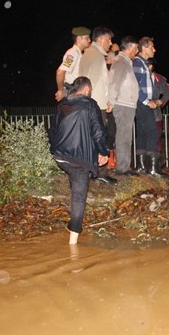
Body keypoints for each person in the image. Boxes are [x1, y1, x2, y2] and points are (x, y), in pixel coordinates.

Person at [48, 76, 109, 245]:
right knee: (79, 196)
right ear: (87, 90)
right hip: (79, 158)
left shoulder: (63, 105)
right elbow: (98, 131)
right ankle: (73, 239)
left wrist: (56, 148)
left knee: (74, 179)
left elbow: (53, 130)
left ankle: (72, 226)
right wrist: (103, 151)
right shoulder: (90, 105)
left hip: (60, 155)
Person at [79, 26, 117, 184]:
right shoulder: (95, 56)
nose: (110, 43)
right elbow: (92, 84)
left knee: (91, 137)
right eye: (108, 39)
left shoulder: (91, 54)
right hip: (96, 105)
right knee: (99, 137)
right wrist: (98, 103)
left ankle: (91, 171)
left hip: (94, 103)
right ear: (101, 39)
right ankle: (100, 173)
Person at [107, 36, 139, 175]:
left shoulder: (126, 62)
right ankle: (122, 168)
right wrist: (111, 101)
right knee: (123, 136)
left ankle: (124, 166)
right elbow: (115, 83)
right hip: (123, 104)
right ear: (130, 47)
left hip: (128, 104)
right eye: (136, 48)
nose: (137, 51)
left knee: (126, 136)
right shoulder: (121, 61)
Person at [133, 36, 164, 176]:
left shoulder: (142, 63)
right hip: (142, 104)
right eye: (152, 47)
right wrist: (147, 101)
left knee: (143, 133)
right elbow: (135, 86)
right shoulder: (138, 64)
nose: (154, 49)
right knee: (152, 133)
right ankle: (152, 168)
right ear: (144, 48)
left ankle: (142, 167)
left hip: (141, 103)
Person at [54, 27, 92, 102]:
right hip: (72, 93)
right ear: (78, 39)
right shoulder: (72, 53)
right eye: (87, 38)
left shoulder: (78, 53)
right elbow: (60, 72)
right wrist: (60, 90)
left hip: (76, 93)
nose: (89, 40)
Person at [147, 57, 169, 156]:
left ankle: (155, 165)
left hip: (155, 115)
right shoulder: (136, 77)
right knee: (144, 139)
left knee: (156, 139)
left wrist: (160, 101)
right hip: (141, 113)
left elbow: (168, 91)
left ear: (150, 66)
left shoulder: (159, 78)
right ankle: (144, 166)